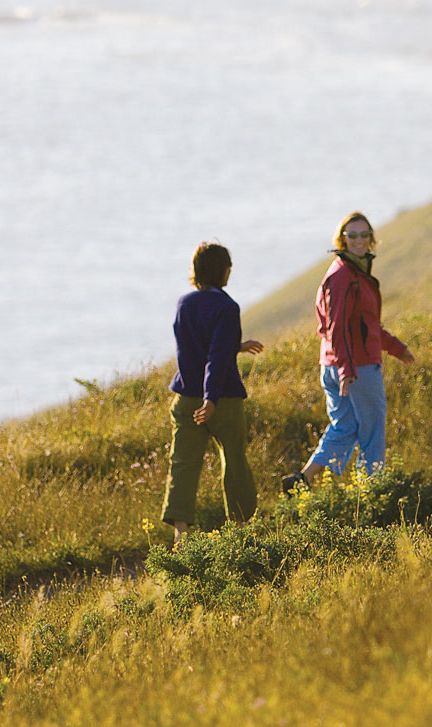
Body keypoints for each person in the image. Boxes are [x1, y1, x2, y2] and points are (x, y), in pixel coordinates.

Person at [283, 211, 414, 492]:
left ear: (371, 239)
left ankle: (301, 480)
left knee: (345, 428)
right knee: (372, 433)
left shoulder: (350, 271)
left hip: (335, 364)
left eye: (363, 235)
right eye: (351, 235)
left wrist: (395, 347)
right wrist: (346, 368)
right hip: (357, 368)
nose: (358, 240)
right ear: (341, 239)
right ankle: (371, 493)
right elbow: (338, 325)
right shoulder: (344, 275)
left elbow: (364, 325)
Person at [161, 242, 263, 543]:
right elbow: (216, 358)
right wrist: (211, 399)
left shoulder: (184, 303)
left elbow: (194, 350)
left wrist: (237, 346)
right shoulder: (227, 307)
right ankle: (241, 531)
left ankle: (181, 535)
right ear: (224, 270)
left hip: (185, 398)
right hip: (222, 399)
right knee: (234, 461)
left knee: (183, 463)